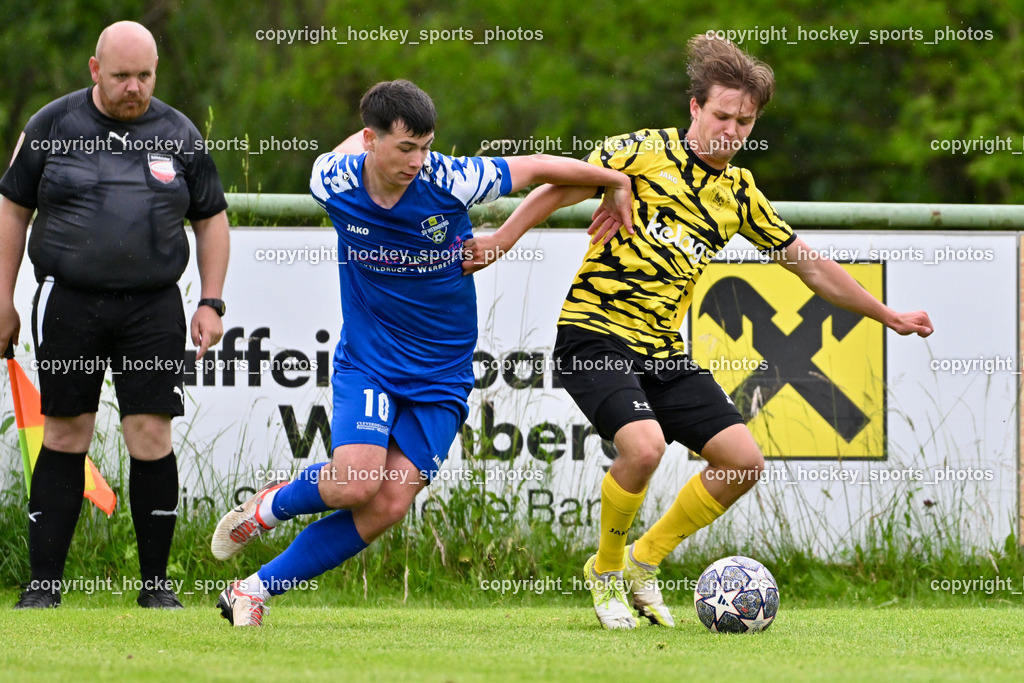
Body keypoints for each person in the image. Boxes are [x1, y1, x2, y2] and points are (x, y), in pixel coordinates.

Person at [463, 35, 934, 629]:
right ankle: (604, 573)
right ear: (694, 107)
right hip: (595, 334)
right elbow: (559, 189)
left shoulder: (740, 194)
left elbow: (811, 267)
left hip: (662, 349)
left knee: (742, 463)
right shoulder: (640, 153)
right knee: (644, 447)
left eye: (745, 121)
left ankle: (642, 563)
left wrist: (886, 314)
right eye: (721, 116)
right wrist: (501, 241)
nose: (731, 131)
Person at [210, 79, 632, 627]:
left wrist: (613, 182)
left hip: (442, 374)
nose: (418, 161)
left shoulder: (451, 178)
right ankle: (268, 507)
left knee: (388, 504)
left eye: (426, 146)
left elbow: (538, 168)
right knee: (356, 483)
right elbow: (337, 157)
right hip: (371, 362)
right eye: (406, 148)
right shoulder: (332, 182)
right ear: (371, 140)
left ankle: (253, 591)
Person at [0, 21, 230, 609]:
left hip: (153, 305)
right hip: (69, 299)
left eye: (145, 76)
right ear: (95, 70)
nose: (134, 88)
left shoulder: (180, 134)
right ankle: (43, 587)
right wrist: (2, 298)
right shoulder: (51, 126)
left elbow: (211, 220)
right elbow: (11, 212)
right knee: (66, 431)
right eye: (122, 75)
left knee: (150, 433)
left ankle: (155, 587)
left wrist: (210, 300)